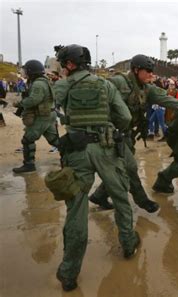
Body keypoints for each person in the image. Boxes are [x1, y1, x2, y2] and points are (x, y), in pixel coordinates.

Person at [52, 44, 139, 291]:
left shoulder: (63, 85)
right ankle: (128, 243)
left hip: (77, 152)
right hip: (106, 149)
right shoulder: (106, 84)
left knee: (76, 210)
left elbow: (48, 112)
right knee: (121, 197)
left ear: (69, 64)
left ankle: (69, 273)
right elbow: (125, 117)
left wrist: (62, 139)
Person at [88, 54, 178, 213]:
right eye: (147, 70)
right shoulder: (118, 83)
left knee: (121, 168)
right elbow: (98, 102)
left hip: (126, 135)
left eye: (152, 71)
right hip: (110, 134)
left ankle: (99, 195)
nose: (151, 74)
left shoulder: (146, 88)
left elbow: (164, 99)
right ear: (135, 70)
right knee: (130, 167)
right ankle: (142, 200)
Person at [12, 60, 60, 173]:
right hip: (48, 115)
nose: (24, 73)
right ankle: (71, 158)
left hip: (42, 117)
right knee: (54, 140)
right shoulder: (43, 81)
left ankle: (29, 165)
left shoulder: (38, 84)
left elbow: (34, 100)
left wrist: (19, 104)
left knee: (27, 140)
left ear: (31, 72)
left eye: (26, 71)